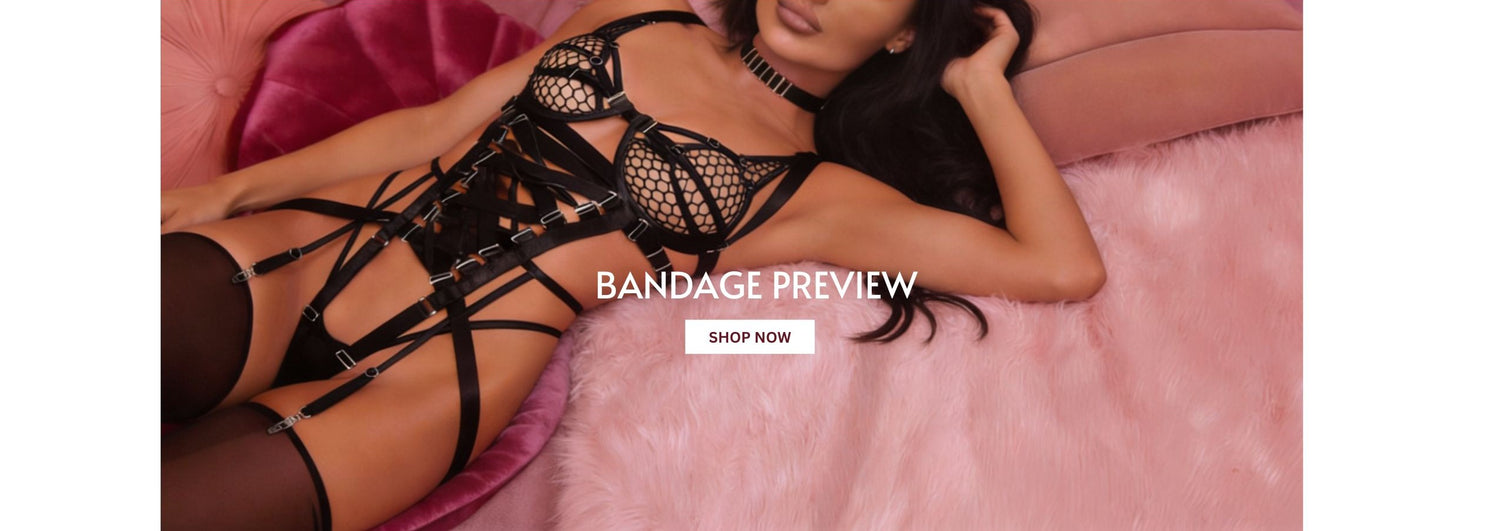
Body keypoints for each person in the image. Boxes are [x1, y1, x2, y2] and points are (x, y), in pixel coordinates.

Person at [160, 0, 1104, 528]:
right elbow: (437, 126)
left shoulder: (823, 195)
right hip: (296, 259)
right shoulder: (639, 13)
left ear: (904, 33)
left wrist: (978, 84)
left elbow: (1061, 267)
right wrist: (225, 195)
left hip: (425, 384)